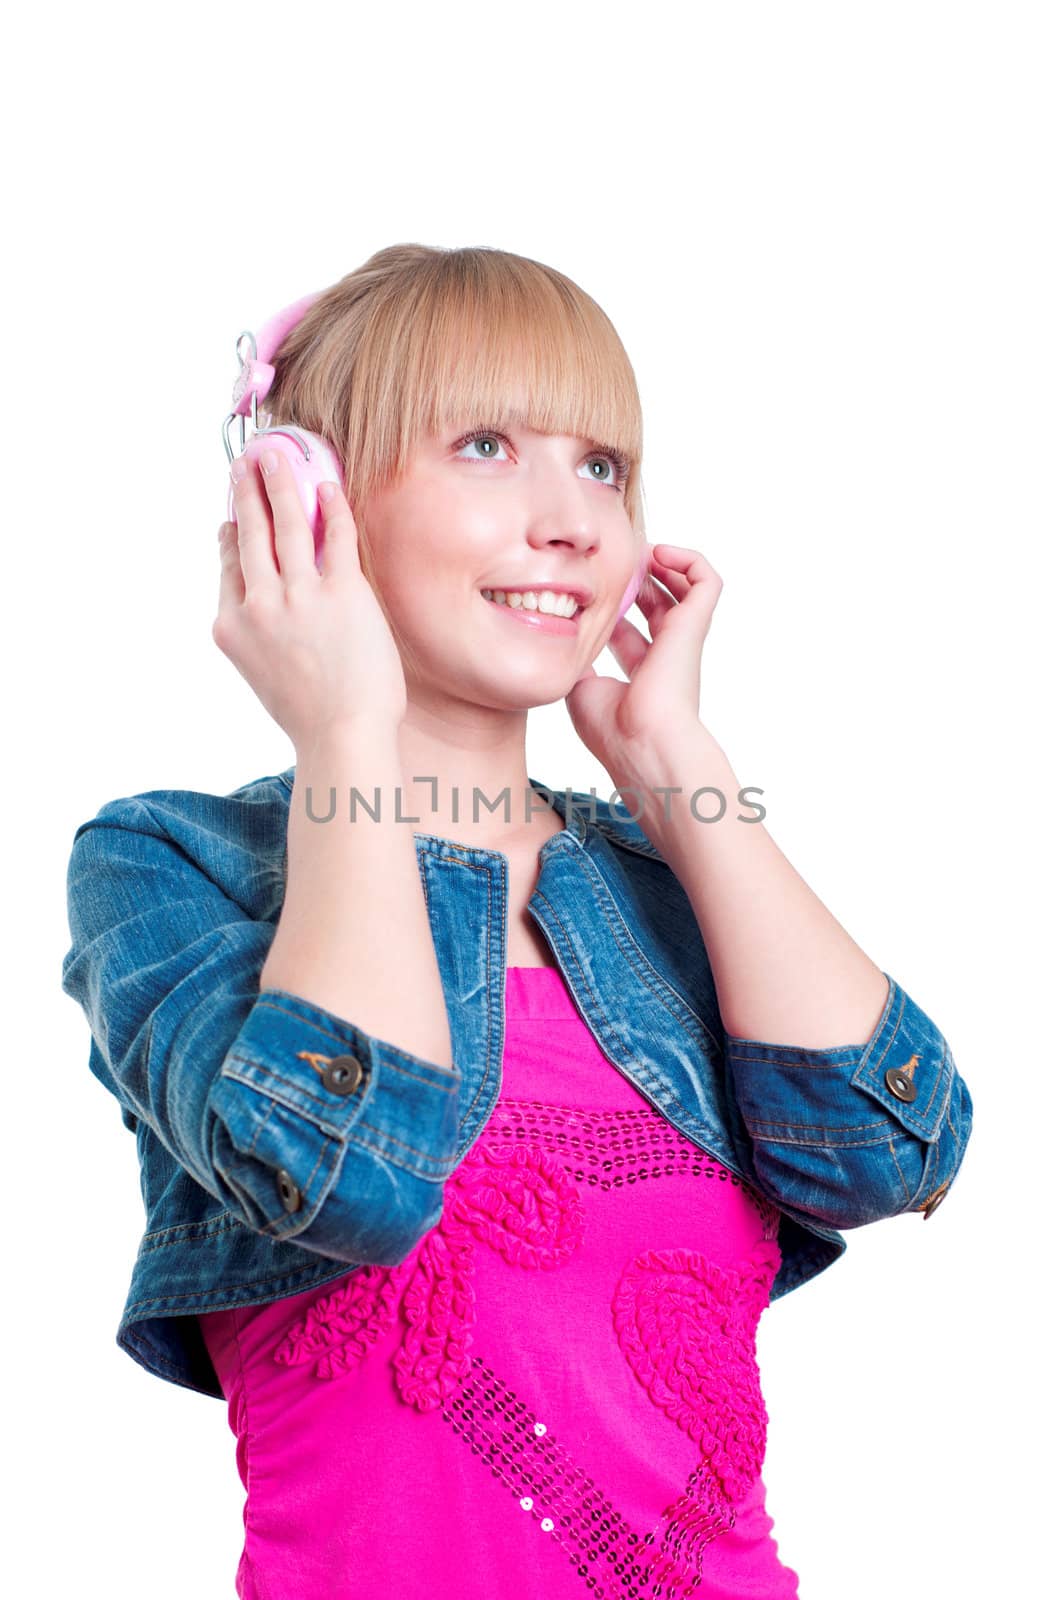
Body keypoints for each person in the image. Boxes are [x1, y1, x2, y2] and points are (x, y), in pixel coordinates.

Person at [61, 243, 973, 1598]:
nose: (574, 521)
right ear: (305, 498)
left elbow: (893, 1151)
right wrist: (348, 738)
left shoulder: (661, 879)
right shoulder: (173, 866)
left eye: (602, 465)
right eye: (487, 444)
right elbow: (347, 1180)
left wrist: (674, 763)